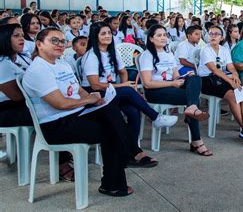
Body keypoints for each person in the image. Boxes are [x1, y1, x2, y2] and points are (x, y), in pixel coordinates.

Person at [22, 27, 157, 196]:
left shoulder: (62, 64)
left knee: (110, 110)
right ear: (39, 44)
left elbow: (79, 90)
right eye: (53, 40)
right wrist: (89, 100)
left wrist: (95, 99)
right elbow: (60, 104)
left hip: (74, 114)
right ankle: (121, 168)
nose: (59, 44)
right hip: (55, 125)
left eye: (62, 41)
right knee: (112, 129)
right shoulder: (39, 69)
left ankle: (122, 166)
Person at [81, 22, 177, 148]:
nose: (108, 36)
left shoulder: (112, 52)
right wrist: (122, 86)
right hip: (94, 94)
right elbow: (95, 85)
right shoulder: (91, 56)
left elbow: (123, 71)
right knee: (127, 90)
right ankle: (155, 117)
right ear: (95, 37)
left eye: (109, 33)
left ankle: (132, 148)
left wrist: (123, 84)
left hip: (110, 91)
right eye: (103, 33)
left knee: (133, 110)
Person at [139, 24, 212, 156]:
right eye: (159, 35)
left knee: (195, 78)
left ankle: (191, 111)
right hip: (155, 92)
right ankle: (196, 140)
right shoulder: (147, 55)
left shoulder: (168, 54)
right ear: (151, 39)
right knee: (193, 100)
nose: (163, 38)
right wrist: (173, 83)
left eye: (164, 35)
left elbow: (175, 75)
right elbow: (147, 83)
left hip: (171, 86)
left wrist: (183, 77)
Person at [198, 25, 243, 142]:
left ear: (221, 38)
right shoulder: (205, 50)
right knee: (233, 96)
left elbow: (231, 67)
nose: (213, 36)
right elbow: (214, 70)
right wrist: (231, 82)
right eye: (211, 34)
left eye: (216, 34)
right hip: (207, 80)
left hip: (221, 78)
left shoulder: (224, 50)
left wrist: (235, 76)